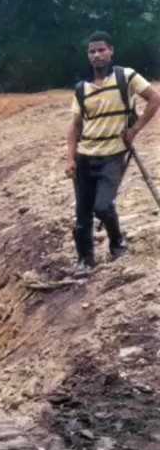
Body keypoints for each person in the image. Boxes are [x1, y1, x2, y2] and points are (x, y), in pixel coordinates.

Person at [66, 31, 160, 272]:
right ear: (88, 56)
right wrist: (70, 159)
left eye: (101, 50)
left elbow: (154, 98)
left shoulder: (125, 76)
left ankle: (117, 242)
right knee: (82, 214)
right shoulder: (81, 89)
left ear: (111, 51)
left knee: (103, 206)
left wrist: (135, 129)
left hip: (113, 153)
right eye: (92, 51)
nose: (97, 55)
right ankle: (84, 261)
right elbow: (75, 126)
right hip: (85, 155)